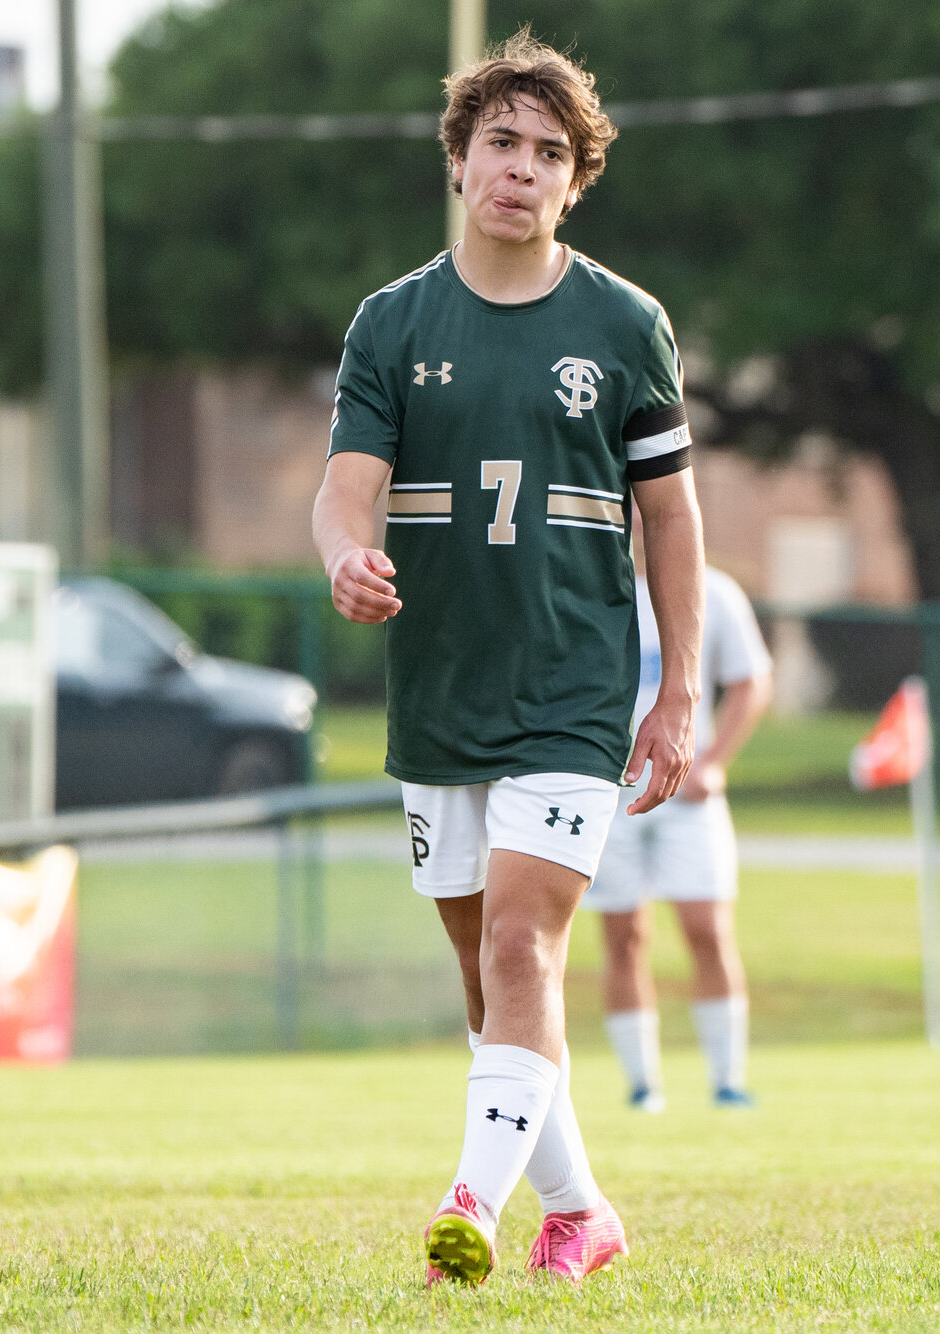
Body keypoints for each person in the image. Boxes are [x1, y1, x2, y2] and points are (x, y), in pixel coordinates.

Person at [311, 32, 705, 1287]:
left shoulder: (625, 326)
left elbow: (673, 519)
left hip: (572, 692)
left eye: (547, 154)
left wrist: (675, 685)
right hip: (438, 687)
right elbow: (342, 492)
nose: (519, 170)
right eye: (501, 144)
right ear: (460, 159)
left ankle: (467, 1205)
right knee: (486, 975)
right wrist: (343, 557)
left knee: (525, 946)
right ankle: (580, 1209)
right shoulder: (391, 323)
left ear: (572, 182)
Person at [584, 565, 773, 1111]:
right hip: (610, 798)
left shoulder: (713, 589)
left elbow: (751, 681)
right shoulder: (597, 579)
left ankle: (727, 1081)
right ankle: (643, 1085)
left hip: (688, 796)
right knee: (625, 937)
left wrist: (713, 763)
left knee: (707, 929)